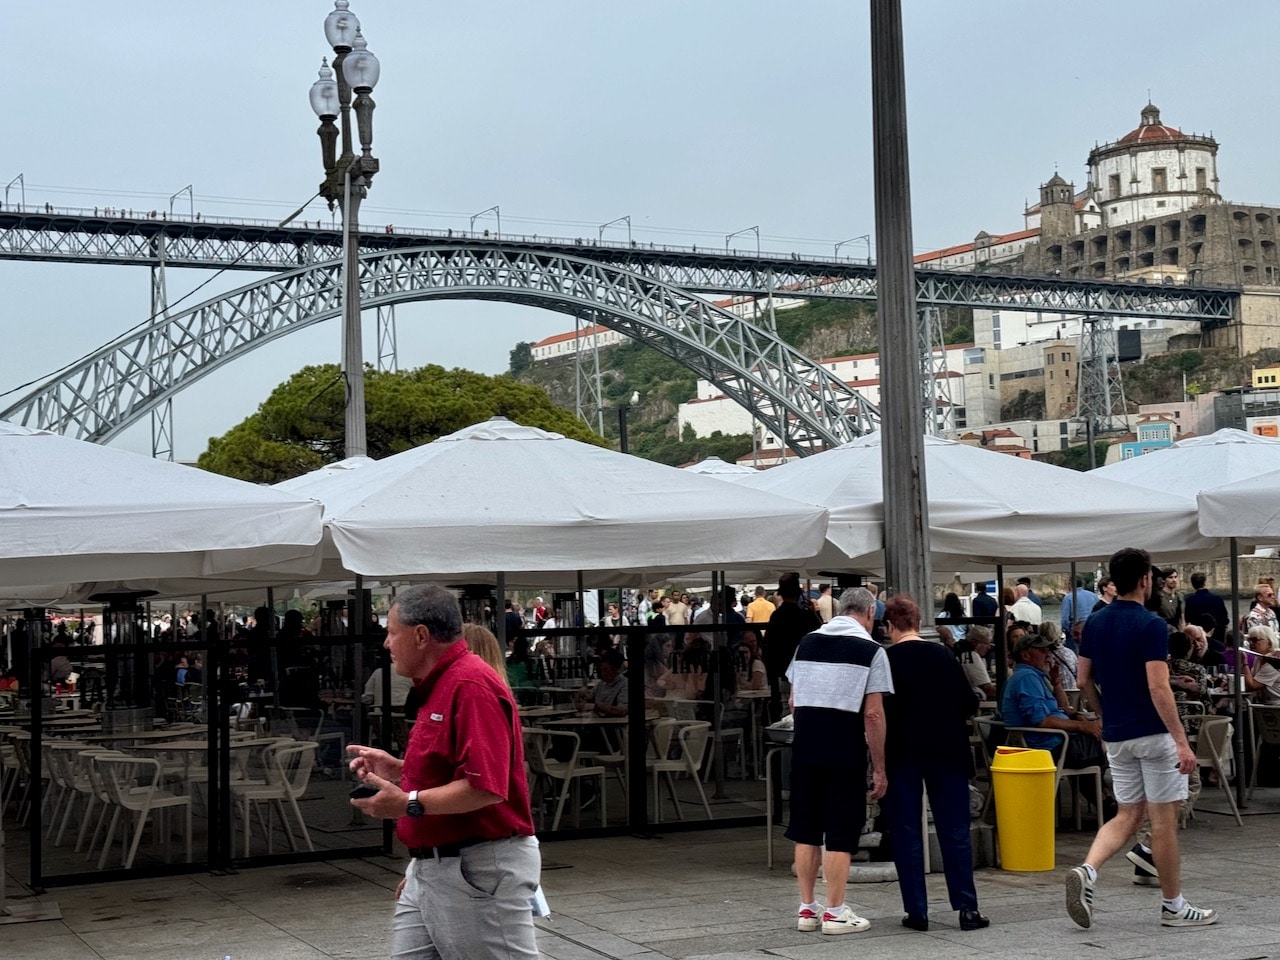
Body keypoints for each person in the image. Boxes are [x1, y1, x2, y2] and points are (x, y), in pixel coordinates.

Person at [347, 584, 540, 959]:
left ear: (421, 635)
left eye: (391, 632)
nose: (386, 643)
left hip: (475, 865)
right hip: (438, 864)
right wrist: (400, 769)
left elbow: (486, 787)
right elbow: (454, 773)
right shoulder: (442, 685)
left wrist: (407, 803)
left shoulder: (469, 684)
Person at [1069, 547, 1216, 929]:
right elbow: (1159, 687)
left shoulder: (1095, 623)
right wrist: (1181, 741)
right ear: (1146, 580)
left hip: (1117, 735)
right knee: (1163, 822)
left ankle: (1088, 870)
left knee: (1126, 814)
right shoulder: (1152, 625)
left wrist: (1103, 717)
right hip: (1153, 732)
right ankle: (1173, 906)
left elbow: (1082, 680)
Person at [786, 587, 891, 936]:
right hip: (843, 748)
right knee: (841, 832)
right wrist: (879, 767)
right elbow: (873, 715)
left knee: (806, 830)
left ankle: (806, 909)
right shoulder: (871, 651)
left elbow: (793, 701)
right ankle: (834, 911)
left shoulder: (807, 643)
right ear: (870, 614)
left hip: (805, 746)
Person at [882, 594, 988, 933]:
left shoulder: (884, 660)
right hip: (948, 751)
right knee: (955, 830)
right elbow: (968, 702)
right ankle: (967, 909)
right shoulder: (943, 654)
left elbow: (877, 710)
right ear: (917, 622)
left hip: (902, 753)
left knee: (907, 831)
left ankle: (917, 911)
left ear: (889, 625)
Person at [1001, 633, 1102, 767]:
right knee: (1108, 741)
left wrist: (1055, 681)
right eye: (1042, 651)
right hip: (1047, 747)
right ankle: (1100, 786)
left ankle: (1093, 786)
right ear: (1025, 655)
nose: (1048, 655)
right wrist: (1081, 726)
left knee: (1101, 732)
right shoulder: (1027, 677)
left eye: (1048, 650)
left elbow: (1064, 707)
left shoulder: (1032, 676)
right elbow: (1041, 720)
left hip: (1053, 740)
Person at [764, 574, 822, 722]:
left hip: (782, 670)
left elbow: (768, 646)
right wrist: (814, 614)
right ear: (798, 594)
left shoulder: (776, 616)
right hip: (806, 669)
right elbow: (819, 635)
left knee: (786, 707)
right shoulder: (805, 616)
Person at [1183, 572, 1229, 652]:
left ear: (1193, 584)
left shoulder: (1190, 600)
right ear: (1204, 583)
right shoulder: (1217, 599)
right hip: (1218, 636)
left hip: (1199, 638)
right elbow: (1225, 619)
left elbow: (1188, 620)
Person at [1240, 625, 1280, 704]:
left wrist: (1244, 662)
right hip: (1265, 704)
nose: (1251, 643)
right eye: (1249, 640)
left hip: (1276, 705)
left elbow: (1251, 686)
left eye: (1255, 640)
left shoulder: (1274, 661)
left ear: (1269, 642)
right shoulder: (1258, 658)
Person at [956, 626, 995, 700]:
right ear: (974, 642)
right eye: (986, 643)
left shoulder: (961, 651)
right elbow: (987, 689)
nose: (989, 647)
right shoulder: (971, 656)